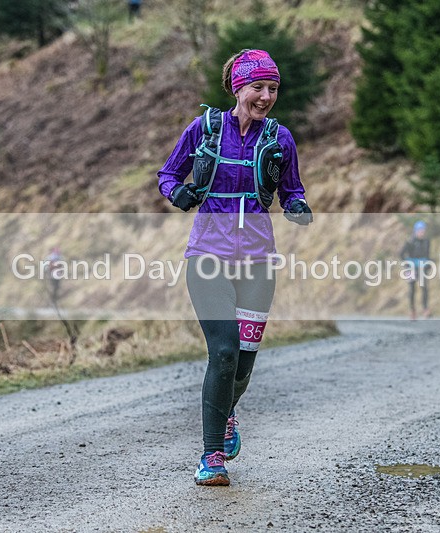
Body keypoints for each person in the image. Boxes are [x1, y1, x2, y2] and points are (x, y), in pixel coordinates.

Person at [158, 49, 313, 486]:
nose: (266, 96)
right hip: (207, 257)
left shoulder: (280, 139)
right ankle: (211, 457)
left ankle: (227, 417)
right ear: (238, 87)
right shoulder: (204, 129)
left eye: (273, 89)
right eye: (258, 87)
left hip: (259, 262)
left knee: (243, 365)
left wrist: (298, 205)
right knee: (223, 352)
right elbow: (168, 174)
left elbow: (291, 187)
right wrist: (179, 194)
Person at [400, 220, 431, 320]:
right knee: (412, 289)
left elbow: (427, 255)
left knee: (424, 288)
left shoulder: (426, 242)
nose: (422, 232)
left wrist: (428, 263)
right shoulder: (409, 242)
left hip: (422, 267)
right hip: (410, 267)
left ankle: (425, 309)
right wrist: (407, 263)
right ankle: (412, 310)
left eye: (424, 230)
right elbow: (401, 254)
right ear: (415, 231)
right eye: (420, 230)